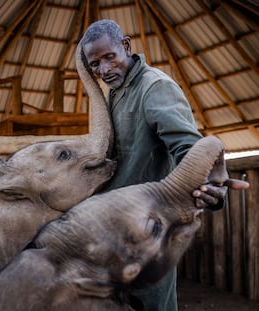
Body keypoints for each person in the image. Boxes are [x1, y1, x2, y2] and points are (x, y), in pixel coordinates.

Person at [81, 19, 249, 311]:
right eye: (95, 64)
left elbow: (188, 149)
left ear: (126, 46)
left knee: (149, 303)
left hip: (149, 232)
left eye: (109, 57)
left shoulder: (155, 87)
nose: (104, 69)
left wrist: (208, 185)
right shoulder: (115, 91)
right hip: (115, 226)